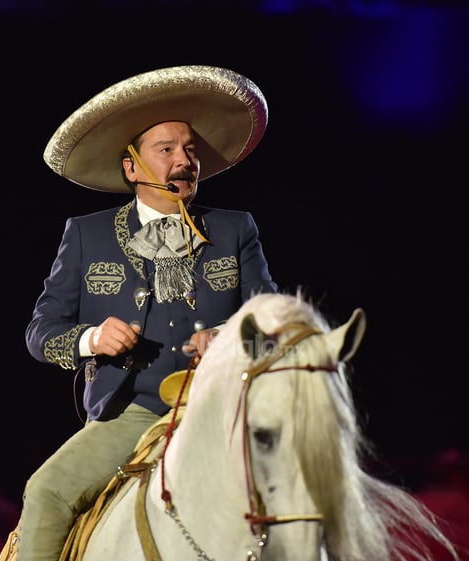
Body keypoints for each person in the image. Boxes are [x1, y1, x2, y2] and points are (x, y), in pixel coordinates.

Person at [16, 65, 278, 561]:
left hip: (223, 412)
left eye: (191, 151)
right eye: (167, 150)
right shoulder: (85, 234)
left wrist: (227, 335)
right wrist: (91, 339)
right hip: (132, 415)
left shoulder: (235, 228)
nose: (184, 161)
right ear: (132, 166)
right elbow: (40, 332)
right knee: (46, 491)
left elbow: (270, 321)